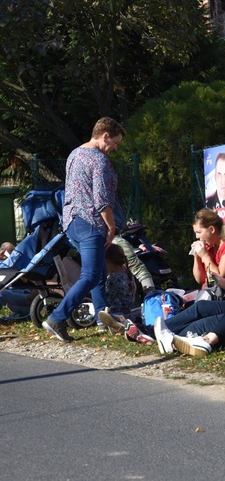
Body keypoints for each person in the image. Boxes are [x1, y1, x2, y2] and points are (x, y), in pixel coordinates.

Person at [42, 117, 125, 342]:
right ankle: (56, 318)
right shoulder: (99, 160)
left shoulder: (74, 154)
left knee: (97, 273)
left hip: (71, 223)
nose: (115, 148)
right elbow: (101, 200)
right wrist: (111, 226)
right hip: (90, 223)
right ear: (104, 135)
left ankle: (102, 318)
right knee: (89, 276)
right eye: (114, 142)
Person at [152, 220, 225, 356]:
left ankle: (172, 340)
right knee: (201, 306)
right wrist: (219, 280)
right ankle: (153, 331)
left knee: (200, 325)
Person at [190, 208, 225, 287]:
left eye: (199, 232)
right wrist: (197, 257)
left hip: (221, 294)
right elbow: (200, 279)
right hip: (208, 291)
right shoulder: (207, 247)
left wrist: (205, 256)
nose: (197, 237)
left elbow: (219, 278)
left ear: (212, 229)